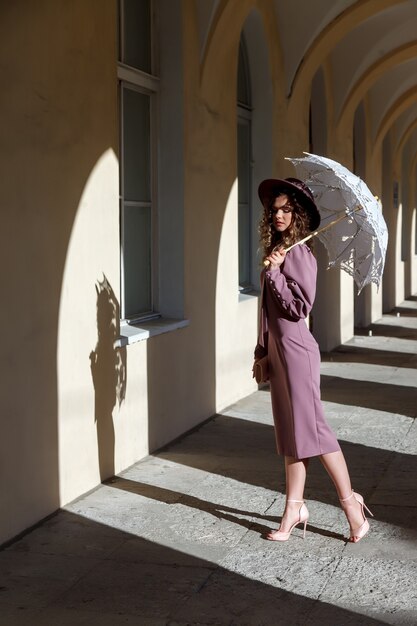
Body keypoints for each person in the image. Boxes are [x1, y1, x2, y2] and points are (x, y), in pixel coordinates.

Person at [253, 177, 373, 543]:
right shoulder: (281, 249)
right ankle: (294, 507)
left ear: (299, 214)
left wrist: (274, 272)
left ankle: (352, 505)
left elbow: (299, 307)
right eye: (274, 209)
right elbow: (267, 312)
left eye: (286, 209)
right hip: (279, 351)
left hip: (299, 353)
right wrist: (261, 351)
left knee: (315, 432)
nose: (278, 215)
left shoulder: (301, 254)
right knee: (291, 433)